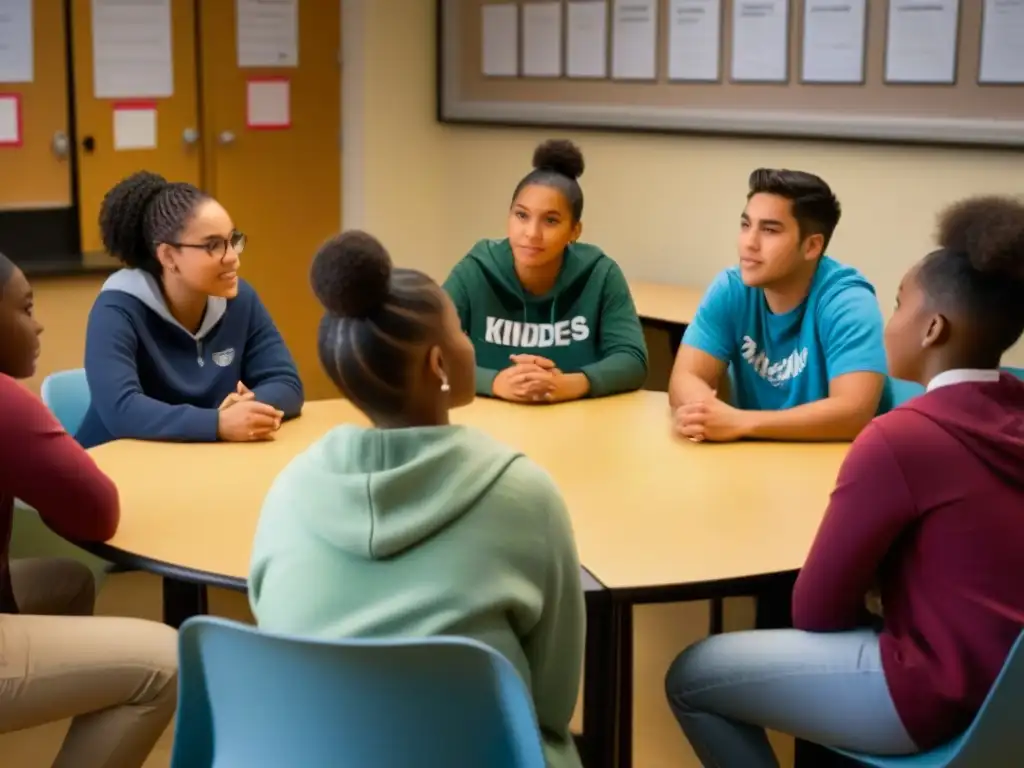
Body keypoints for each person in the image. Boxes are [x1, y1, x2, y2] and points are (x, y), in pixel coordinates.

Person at [664, 195, 1024, 767]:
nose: (889, 321)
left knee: (691, 677)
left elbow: (816, 611)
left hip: (936, 693)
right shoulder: (1014, 407)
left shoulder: (899, 439)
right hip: (1009, 696)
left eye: (901, 304)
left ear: (933, 329)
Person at [249, 231, 585, 768]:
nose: (468, 343)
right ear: (439, 365)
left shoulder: (286, 492)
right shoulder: (526, 495)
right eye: (460, 330)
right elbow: (552, 701)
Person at [0, 252, 178, 768]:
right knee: (163, 663)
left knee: (69, 583)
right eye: (25, 308)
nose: (37, 325)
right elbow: (97, 513)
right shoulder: (6, 404)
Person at [76, 171, 304, 449]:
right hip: (114, 469)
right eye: (213, 245)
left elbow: (287, 383)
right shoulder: (116, 308)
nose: (233, 258)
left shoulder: (241, 298)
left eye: (233, 240)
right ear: (169, 256)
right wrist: (217, 423)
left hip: (194, 462)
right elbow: (121, 410)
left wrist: (245, 409)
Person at [670, 168, 888, 443]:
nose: (749, 243)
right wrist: (703, 414)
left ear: (811, 246)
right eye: (745, 225)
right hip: (752, 459)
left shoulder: (848, 302)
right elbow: (685, 377)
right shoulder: (731, 288)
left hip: (829, 466)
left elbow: (853, 413)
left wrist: (740, 422)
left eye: (770, 230)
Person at [443, 139, 648, 404]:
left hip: (577, 421)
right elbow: (424, 351)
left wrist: (569, 384)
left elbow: (633, 360)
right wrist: (494, 382)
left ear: (575, 231)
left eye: (550, 221)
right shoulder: (476, 269)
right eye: (521, 216)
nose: (531, 233)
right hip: (493, 421)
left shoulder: (601, 273)